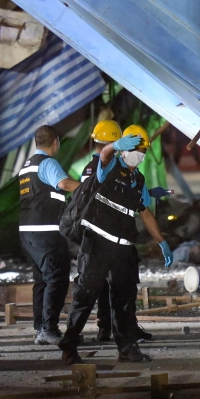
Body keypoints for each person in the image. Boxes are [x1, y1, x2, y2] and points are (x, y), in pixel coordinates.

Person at [59, 125, 173, 365]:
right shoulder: (109, 167)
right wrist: (114, 146)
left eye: (142, 150)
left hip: (122, 249)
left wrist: (162, 242)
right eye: (134, 148)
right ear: (124, 149)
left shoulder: (138, 179)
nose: (139, 154)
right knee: (85, 296)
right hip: (98, 244)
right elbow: (104, 155)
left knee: (124, 299)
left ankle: (127, 347)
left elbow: (146, 213)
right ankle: (69, 347)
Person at [80, 120, 153, 344]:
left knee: (110, 287)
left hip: (103, 236)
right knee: (109, 288)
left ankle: (114, 330)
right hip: (103, 235)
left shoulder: (95, 167)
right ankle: (113, 331)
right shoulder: (103, 166)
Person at [19, 125, 80, 345]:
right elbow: (63, 183)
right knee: (56, 278)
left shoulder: (26, 167)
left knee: (42, 281)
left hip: (27, 232)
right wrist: (88, 188)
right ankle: (48, 328)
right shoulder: (47, 163)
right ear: (56, 142)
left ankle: (41, 329)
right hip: (45, 231)